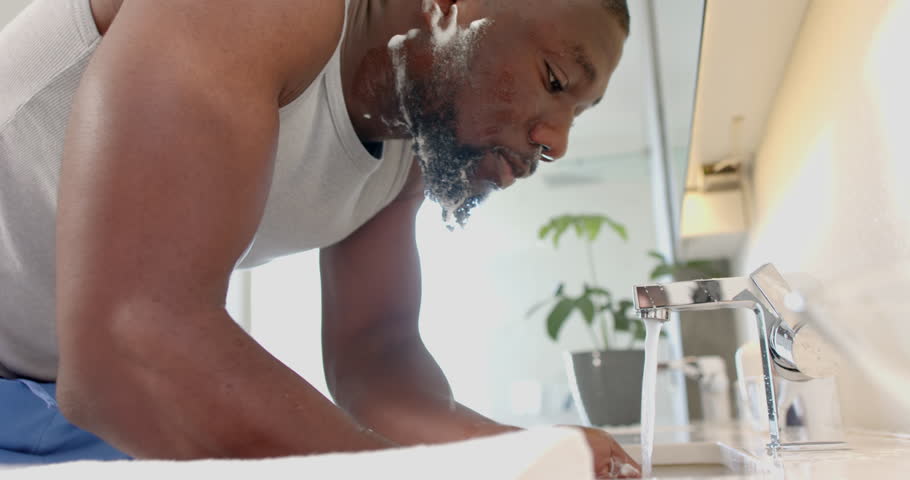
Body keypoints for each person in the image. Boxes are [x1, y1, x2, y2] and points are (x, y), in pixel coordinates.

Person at [0, 0, 639, 477]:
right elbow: (130, 342)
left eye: (578, 114)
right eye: (555, 80)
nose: (558, 142)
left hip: (68, 405)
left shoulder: (402, 152)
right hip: (95, 381)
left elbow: (377, 360)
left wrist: (520, 454)